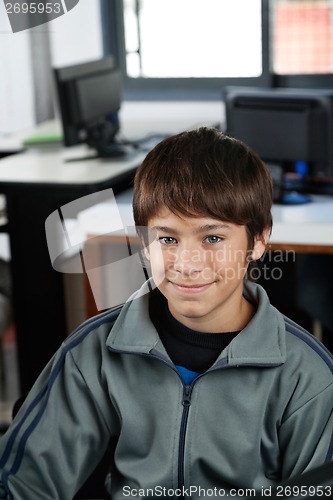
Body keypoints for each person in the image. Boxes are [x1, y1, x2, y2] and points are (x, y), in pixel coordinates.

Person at [0, 127, 332, 499]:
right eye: (168, 239)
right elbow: (22, 484)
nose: (187, 264)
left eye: (213, 238)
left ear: (258, 241)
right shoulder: (92, 352)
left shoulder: (309, 377)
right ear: (144, 244)